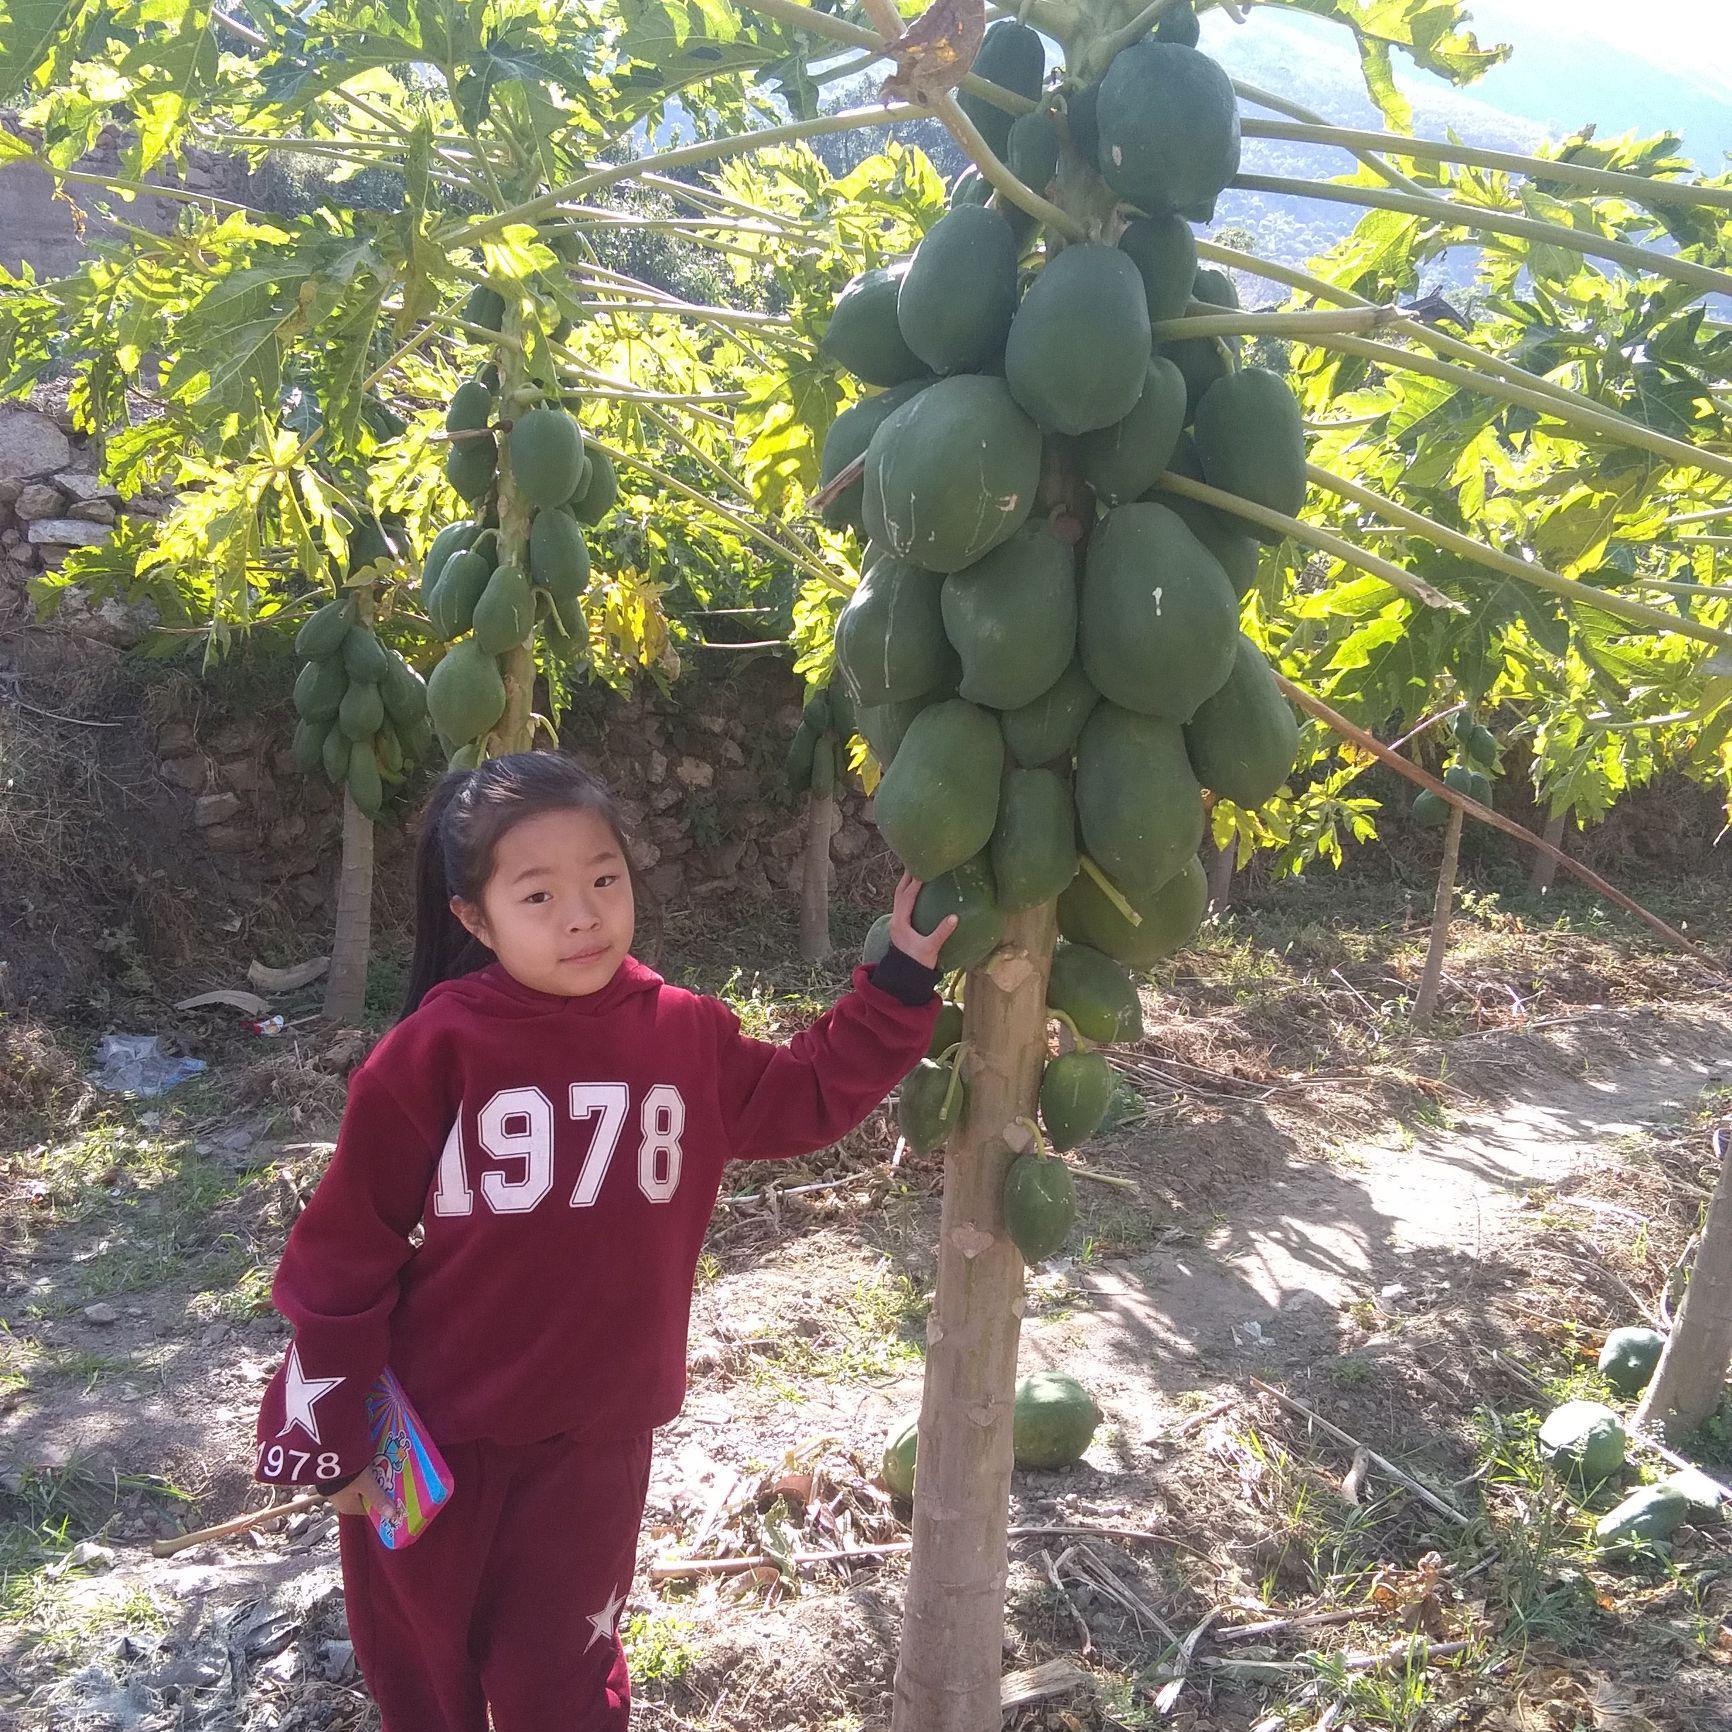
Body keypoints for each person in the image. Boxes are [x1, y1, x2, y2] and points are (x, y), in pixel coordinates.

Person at [249, 751, 956, 1732]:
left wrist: (897, 984)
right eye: (537, 893)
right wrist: (327, 1432)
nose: (580, 914)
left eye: (603, 879)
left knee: (561, 1683)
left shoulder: (683, 1035)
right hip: (430, 1434)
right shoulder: (434, 1052)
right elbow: (344, 1250)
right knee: (421, 1673)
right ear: (472, 917)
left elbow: (803, 1093)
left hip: (593, 1442)